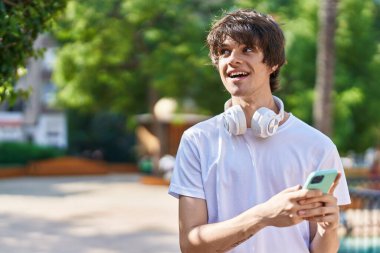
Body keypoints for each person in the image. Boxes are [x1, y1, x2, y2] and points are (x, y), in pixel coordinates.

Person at [168, 9, 350, 253]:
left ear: (273, 62)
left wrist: (329, 228)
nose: (232, 59)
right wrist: (264, 215)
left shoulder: (318, 146)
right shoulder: (197, 140)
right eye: (224, 52)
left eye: (247, 49)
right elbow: (191, 245)